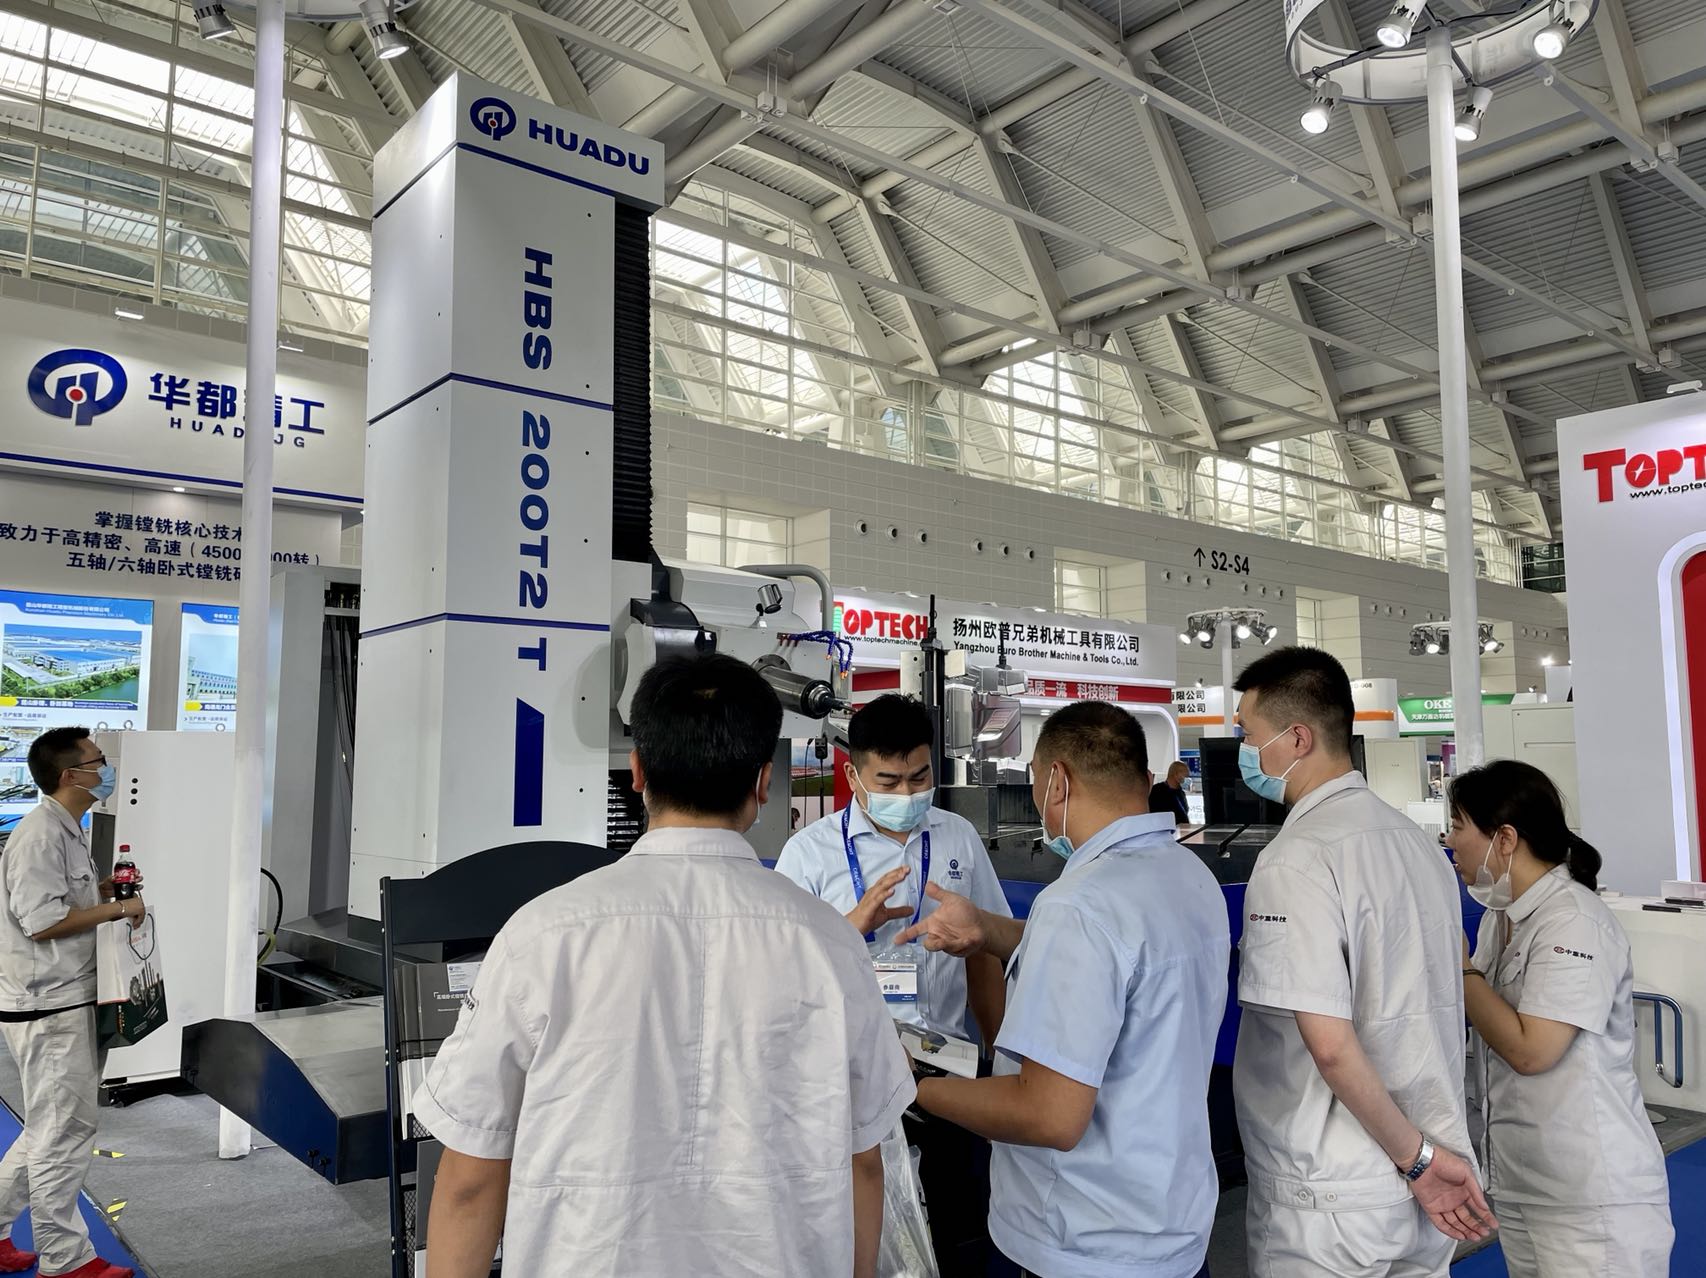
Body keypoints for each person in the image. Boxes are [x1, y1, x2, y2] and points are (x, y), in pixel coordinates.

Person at [415, 655, 913, 1278]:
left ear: (638, 772)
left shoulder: (541, 936)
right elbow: (864, 1161)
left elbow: (470, 1177)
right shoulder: (831, 944)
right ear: (763, 783)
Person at [896, 701, 1229, 1278]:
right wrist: (989, 930)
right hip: (1170, 1219)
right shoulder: (1188, 876)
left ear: (1057, 781)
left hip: (1082, 1240)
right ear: (1145, 778)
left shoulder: (1079, 904)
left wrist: (909, 1084)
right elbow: (1117, 960)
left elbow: (1049, 1116)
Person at [1231, 647, 1493, 1277]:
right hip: (1425, 1169)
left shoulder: (1296, 859)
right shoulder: (1417, 844)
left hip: (1336, 1191)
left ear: (1298, 739)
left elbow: (1329, 1047)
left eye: (1248, 735)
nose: (1244, 751)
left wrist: (1416, 1162)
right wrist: (1423, 1160)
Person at [776, 693, 1013, 1276]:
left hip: (949, 1068)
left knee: (959, 1230)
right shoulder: (809, 854)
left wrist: (1001, 1059)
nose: (907, 794)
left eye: (919, 777)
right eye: (889, 781)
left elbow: (985, 957)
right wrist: (848, 929)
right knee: (869, 1241)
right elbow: (782, 977)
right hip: (851, 1080)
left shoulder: (957, 837)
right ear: (854, 777)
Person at [1451, 760, 1672, 1277]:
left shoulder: (1573, 920)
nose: (1450, 840)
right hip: (1524, 1183)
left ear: (1505, 838)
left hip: (1590, 1198)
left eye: (1459, 826)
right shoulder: (1500, 917)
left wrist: (1460, 968)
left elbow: (1533, 1050)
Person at [0, 727, 141, 1278]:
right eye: (99, 760)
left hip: (64, 998)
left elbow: (58, 903)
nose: (106, 769)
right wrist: (119, 910)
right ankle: (65, 1259)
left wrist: (99, 893)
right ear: (70, 775)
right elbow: (42, 923)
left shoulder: (66, 829)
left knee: (47, 1127)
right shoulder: (41, 835)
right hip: (50, 1006)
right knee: (63, 1133)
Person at [1149, 760, 1192, 826]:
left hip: (1181, 829)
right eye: (1186, 776)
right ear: (1176, 774)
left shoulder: (1181, 793)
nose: (1187, 780)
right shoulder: (1156, 792)